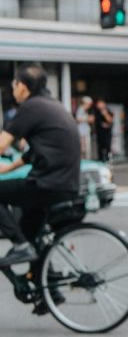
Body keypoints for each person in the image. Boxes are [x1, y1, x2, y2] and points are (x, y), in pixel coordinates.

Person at [0, 64, 81, 271]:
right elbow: (32, 154)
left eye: (14, 85)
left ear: (24, 87)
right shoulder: (51, 105)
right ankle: (49, 292)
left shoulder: (31, 106)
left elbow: (2, 144)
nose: (13, 90)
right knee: (31, 235)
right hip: (64, 184)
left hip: (47, 184)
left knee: (24, 243)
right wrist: (5, 170)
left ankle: (20, 245)